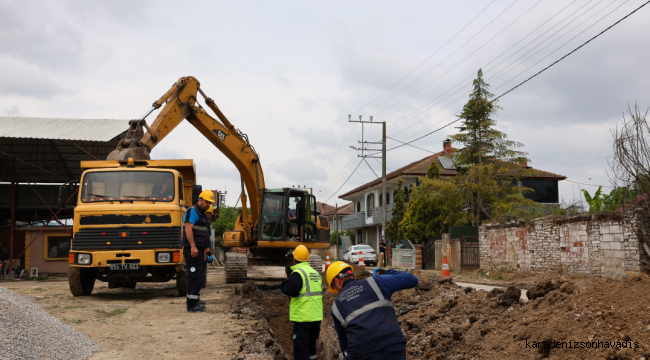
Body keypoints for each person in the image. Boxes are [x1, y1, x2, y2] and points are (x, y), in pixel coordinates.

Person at [326, 261, 419, 360]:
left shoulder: (336, 307)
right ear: (353, 275)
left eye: (334, 288)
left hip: (361, 353)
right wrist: (384, 272)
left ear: (337, 281)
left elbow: (344, 345)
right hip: (392, 345)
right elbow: (412, 280)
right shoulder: (375, 282)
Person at [280, 245, 323, 360]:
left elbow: (289, 289)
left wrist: (285, 282)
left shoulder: (298, 274)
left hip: (302, 318)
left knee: (301, 351)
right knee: (311, 346)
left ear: (294, 260)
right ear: (307, 259)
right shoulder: (315, 273)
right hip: (316, 317)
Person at [181, 189, 214, 312]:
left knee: (199, 277)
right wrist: (193, 247)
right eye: (207, 202)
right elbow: (188, 230)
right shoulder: (192, 211)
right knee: (194, 277)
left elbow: (204, 235)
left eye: (210, 203)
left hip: (199, 251)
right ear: (200, 200)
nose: (208, 205)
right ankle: (192, 305)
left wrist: (205, 251)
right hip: (192, 250)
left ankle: (195, 299)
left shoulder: (202, 214)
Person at [202, 205, 215, 289]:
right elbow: (203, 238)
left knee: (203, 267)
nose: (210, 216)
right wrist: (205, 251)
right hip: (203, 250)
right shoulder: (203, 223)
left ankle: (202, 282)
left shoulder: (206, 223)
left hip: (205, 250)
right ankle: (201, 283)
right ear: (208, 213)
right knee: (202, 268)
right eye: (210, 214)